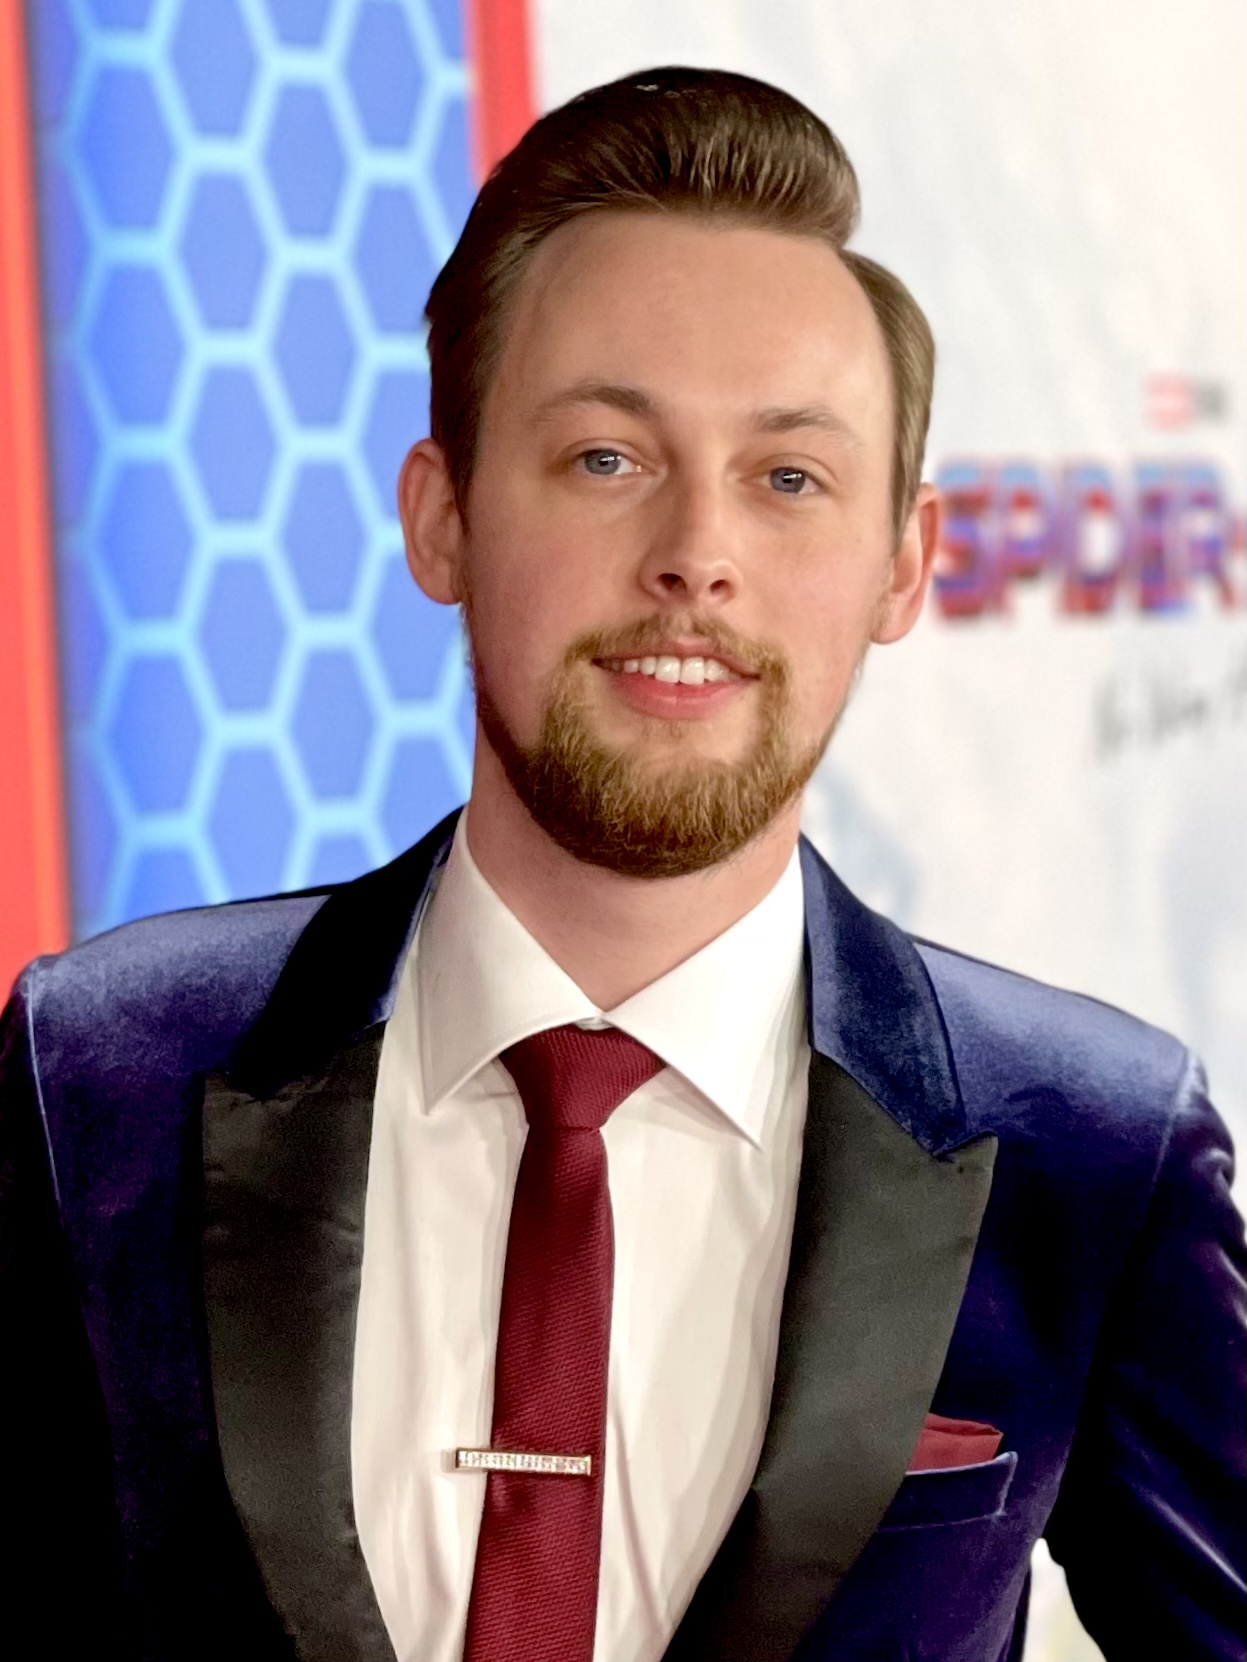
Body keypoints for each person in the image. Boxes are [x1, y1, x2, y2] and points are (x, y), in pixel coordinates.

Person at [1, 66, 1242, 1662]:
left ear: (904, 562)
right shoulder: (98, 1076)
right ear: (442, 517)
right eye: (605, 457)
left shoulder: (1089, 1148)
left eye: (788, 477)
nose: (696, 556)